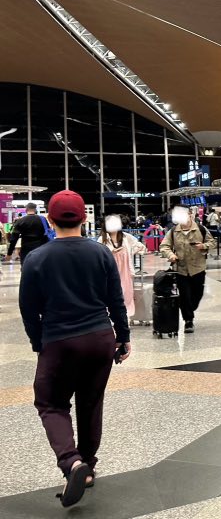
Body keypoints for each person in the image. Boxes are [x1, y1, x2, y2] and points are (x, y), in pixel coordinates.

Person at [19, 190, 131, 508]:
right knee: (90, 403)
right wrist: (123, 338)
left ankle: (71, 462)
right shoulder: (101, 253)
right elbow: (116, 301)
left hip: (60, 341)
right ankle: (89, 466)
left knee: (51, 403)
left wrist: (37, 342)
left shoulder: (37, 258)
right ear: (84, 218)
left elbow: (29, 308)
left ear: (50, 220)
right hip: (99, 338)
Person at [159, 206, 216, 334]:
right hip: (181, 269)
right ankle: (188, 321)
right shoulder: (173, 231)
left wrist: (203, 246)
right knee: (184, 296)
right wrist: (171, 255)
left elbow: (212, 242)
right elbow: (164, 246)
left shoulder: (200, 229)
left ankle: (190, 308)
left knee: (197, 295)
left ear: (191, 215)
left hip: (198, 268)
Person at [97, 215, 146, 318]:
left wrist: (136, 250)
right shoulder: (102, 239)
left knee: (126, 294)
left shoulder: (126, 237)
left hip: (125, 271)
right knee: (110, 293)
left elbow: (141, 247)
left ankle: (125, 316)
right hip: (109, 271)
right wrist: (110, 252)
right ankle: (110, 316)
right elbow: (97, 255)